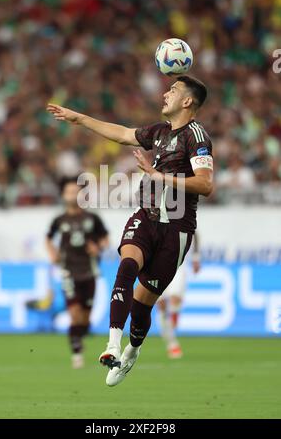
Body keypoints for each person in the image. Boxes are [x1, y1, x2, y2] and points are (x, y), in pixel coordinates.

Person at [47, 74, 213, 386]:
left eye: (173, 90)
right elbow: (123, 134)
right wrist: (79, 118)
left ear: (187, 101)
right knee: (126, 265)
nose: (165, 94)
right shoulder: (160, 132)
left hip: (177, 227)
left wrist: (158, 175)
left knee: (142, 306)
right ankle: (112, 344)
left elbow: (205, 184)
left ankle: (132, 350)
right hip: (146, 217)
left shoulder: (197, 136)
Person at [46, 178, 109, 368]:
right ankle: (77, 354)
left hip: (89, 272)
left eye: (76, 191)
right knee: (74, 313)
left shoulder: (92, 219)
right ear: (64, 196)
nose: (73, 195)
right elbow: (48, 239)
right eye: (69, 192)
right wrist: (52, 253)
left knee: (85, 318)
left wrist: (98, 247)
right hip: (68, 272)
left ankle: (80, 335)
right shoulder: (59, 220)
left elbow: (105, 239)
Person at [157, 233, 201, 359]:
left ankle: (175, 313)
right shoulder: (152, 215)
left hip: (178, 265)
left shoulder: (179, 213)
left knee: (174, 298)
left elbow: (195, 232)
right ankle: (172, 343)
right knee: (161, 305)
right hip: (157, 265)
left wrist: (196, 257)